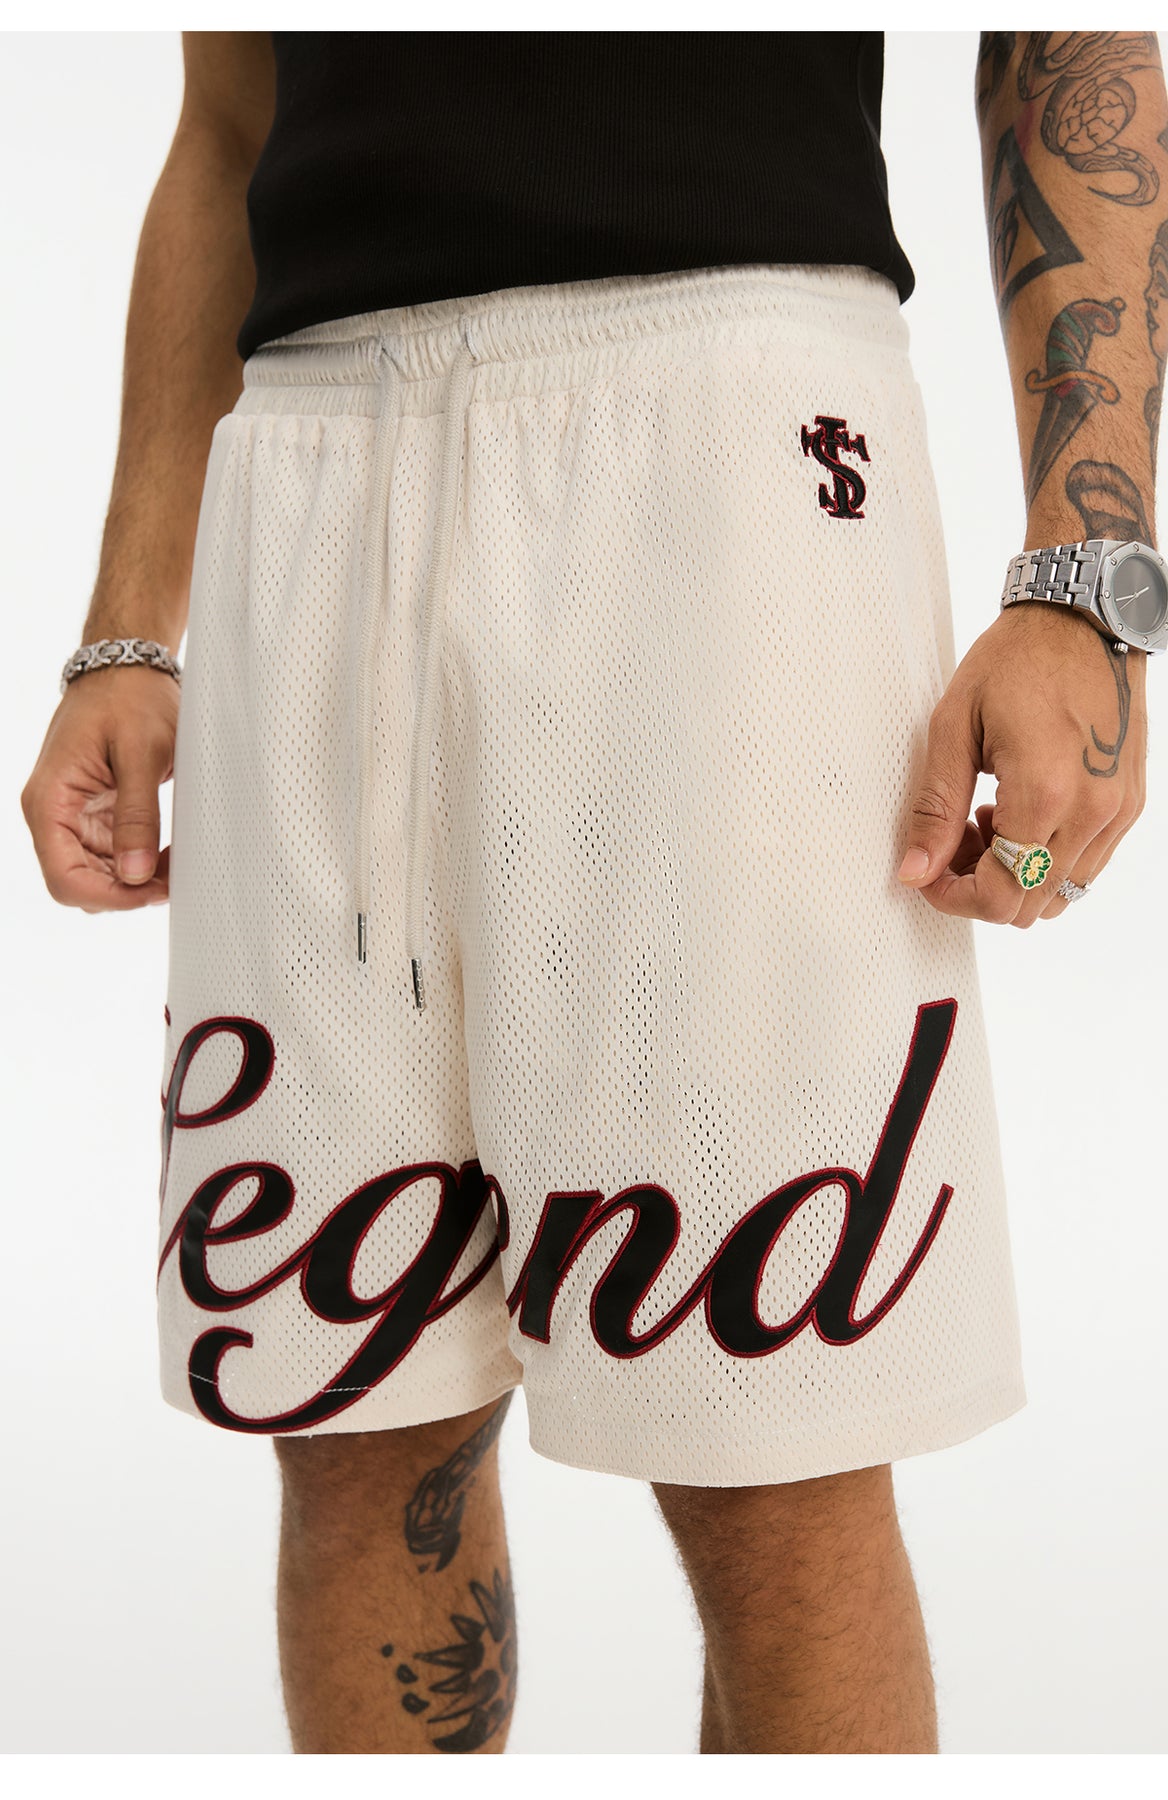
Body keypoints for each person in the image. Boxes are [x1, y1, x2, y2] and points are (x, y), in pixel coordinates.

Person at [19, 30, 1166, 1756]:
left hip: (722, 420)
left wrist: (1089, 573)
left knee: (770, 1443)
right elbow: (227, 116)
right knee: (345, 1410)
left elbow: (1061, 39)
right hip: (311, 452)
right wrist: (126, 629)